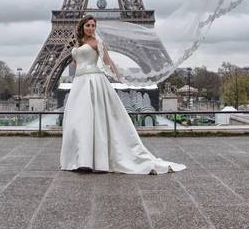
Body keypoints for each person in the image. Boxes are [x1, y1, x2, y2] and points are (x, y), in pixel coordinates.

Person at [59, 15, 186, 175]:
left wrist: (118, 74)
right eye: (88, 25)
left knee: (92, 119)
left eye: (93, 25)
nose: (91, 28)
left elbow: (107, 61)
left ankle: (91, 161)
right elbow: (76, 62)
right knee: (78, 121)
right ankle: (81, 159)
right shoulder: (79, 44)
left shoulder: (98, 43)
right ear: (82, 27)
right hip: (79, 84)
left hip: (93, 82)